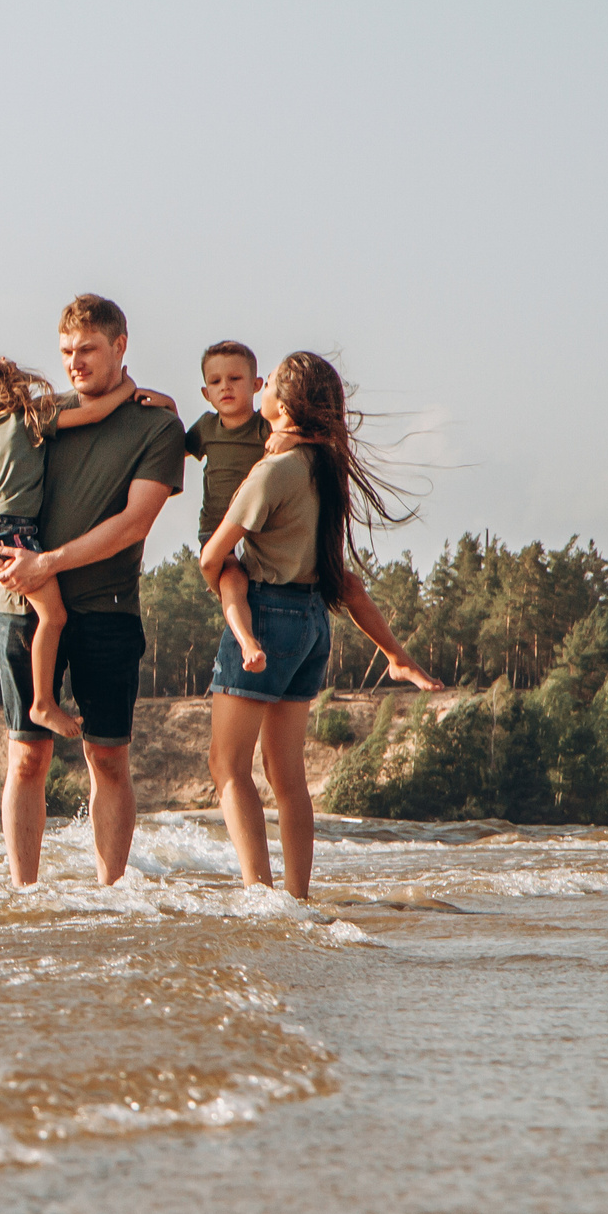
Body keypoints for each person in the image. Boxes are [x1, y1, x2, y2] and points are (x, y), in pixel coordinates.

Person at [200, 349, 441, 898]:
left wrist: (227, 584)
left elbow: (212, 555)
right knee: (287, 778)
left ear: (284, 404)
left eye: (267, 385)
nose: (258, 389)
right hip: (312, 623)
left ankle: (258, 895)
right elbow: (344, 580)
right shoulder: (326, 468)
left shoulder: (273, 471)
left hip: (267, 613)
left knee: (227, 766)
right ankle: (296, 897)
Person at [0, 294, 186, 888]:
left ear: (120, 346)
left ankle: (111, 898)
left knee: (107, 757)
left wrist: (48, 562)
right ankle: (24, 897)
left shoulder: (158, 425)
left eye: (88, 349)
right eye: (67, 351)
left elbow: (134, 523)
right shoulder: (39, 418)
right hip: (23, 606)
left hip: (108, 609)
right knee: (27, 756)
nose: (75, 362)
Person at [0, 356, 173, 737]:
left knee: (15, 567)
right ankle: (43, 703)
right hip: (14, 528)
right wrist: (128, 389)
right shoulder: (30, 420)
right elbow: (94, 414)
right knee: (53, 616)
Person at [182, 341, 274, 676]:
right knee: (231, 581)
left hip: (256, 530)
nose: (226, 387)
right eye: (216, 381)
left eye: (235, 378)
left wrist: (287, 439)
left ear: (256, 385)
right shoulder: (206, 427)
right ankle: (248, 643)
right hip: (215, 530)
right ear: (206, 393)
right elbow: (168, 450)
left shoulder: (266, 428)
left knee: (258, 587)